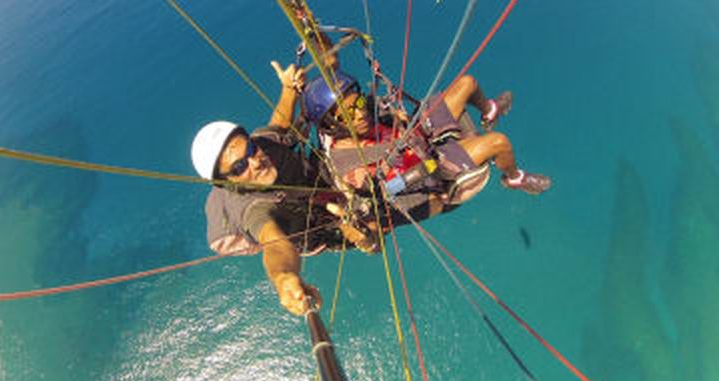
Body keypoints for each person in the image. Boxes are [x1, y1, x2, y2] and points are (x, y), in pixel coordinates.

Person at [191, 61, 348, 316]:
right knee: (371, 229)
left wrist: (288, 89)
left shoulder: (262, 145)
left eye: (251, 149)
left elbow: (278, 125)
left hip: (323, 180)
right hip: (327, 225)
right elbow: (273, 243)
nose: (255, 160)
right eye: (240, 166)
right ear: (227, 182)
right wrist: (284, 278)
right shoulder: (252, 210)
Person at [303, 70, 551, 222]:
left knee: (468, 83)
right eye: (349, 113)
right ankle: (514, 178)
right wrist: (425, 175)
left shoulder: (359, 126)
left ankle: (490, 111)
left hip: (420, 133)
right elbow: (386, 191)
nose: (361, 114)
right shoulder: (353, 168)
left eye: (358, 103)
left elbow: (332, 73)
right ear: (333, 125)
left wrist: (397, 121)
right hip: (435, 165)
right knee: (499, 143)